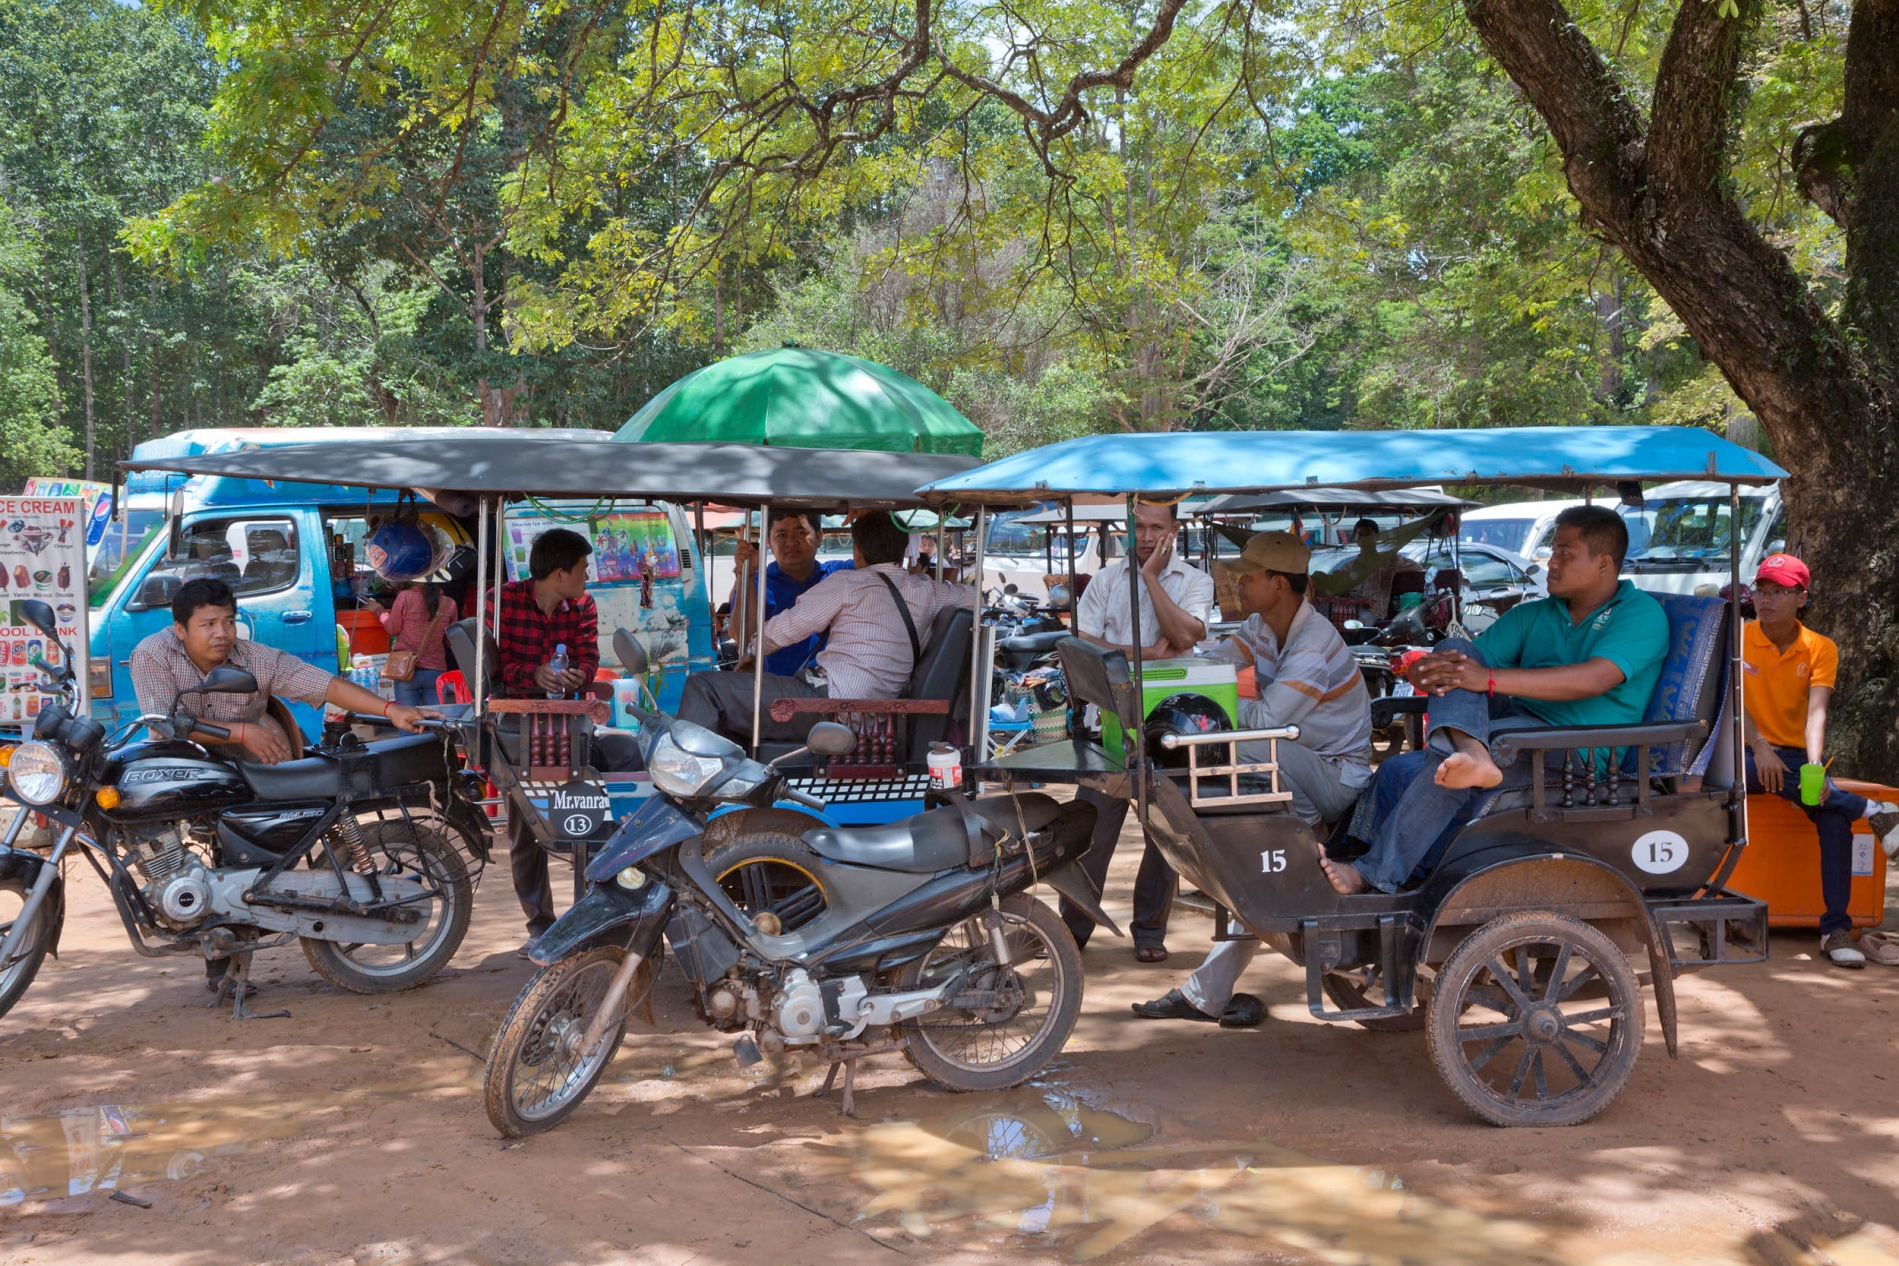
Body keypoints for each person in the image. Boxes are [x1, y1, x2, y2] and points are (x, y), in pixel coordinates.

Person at [1323, 505, 1669, 896]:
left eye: (1564, 554)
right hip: (1518, 729)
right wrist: (1426, 671)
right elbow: (1467, 662)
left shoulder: (1639, 614)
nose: (1550, 563)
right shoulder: (1538, 613)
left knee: (1448, 769)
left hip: (1576, 753)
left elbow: (1594, 679)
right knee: (1456, 650)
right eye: (1552, 551)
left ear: (1604, 563)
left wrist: (1485, 678)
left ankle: (1374, 874)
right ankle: (1474, 754)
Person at [130, 577, 435, 991]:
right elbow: (162, 723)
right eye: (208, 624)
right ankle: (216, 944)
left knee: (250, 860)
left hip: (254, 764)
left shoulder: (253, 657)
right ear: (180, 629)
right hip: (189, 763)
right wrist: (240, 731)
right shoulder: (152, 654)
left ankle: (237, 942)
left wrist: (390, 709)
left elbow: (319, 683)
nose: (221, 633)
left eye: (228, 621)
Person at [1132, 531, 1374, 1026]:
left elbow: (1267, 723)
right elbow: (1214, 662)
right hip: (1299, 764)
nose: (1238, 583)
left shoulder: (1313, 646)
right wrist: (1171, 682)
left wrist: (1203, 707)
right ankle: (1209, 991)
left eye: (1250, 576)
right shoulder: (1264, 626)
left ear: (1280, 585)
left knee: (1258, 749)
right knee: (1252, 861)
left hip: (1332, 778)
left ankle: (1296, 841)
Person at [1065, 499, 1216, 962]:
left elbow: (1188, 635)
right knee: (1090, 834)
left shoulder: (1195, 580)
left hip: (1170, 728)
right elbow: (1081, 640)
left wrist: (1151, 578)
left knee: (1165, 839)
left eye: (1157, 528)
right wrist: (1145, 654)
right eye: (1140, 527)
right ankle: (1070, 934)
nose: (1147, 537)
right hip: (1108, 726)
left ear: (1174, 529)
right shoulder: (1108, 581)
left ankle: (1149, 932)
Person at [678, 512, 968, 743]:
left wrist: (753, 651)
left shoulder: (846, 582)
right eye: (781, 535)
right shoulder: (927, 590)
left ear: (857, 552)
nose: (791, 542)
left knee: (703, 687)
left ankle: (685, 785)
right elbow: (972, 596)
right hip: (873, 715)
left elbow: (789, 626)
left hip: (827, 704)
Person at [487, 528, 641, 956]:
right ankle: (540, 926)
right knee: (525, 830)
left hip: (570, 726)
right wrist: (533, 674)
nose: (587, 575)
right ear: (559, 573)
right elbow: (494, 674)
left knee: (600, 800)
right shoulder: (500, 602)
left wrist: (580, 675)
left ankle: (598, 911)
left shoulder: (583, 606)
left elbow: (589, 658)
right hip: (519, 726)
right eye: (582, 568)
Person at [1741, 553, 1899, 967]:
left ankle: (1835, 929)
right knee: (1752, 770)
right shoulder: (1737, 638)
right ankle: (1874, 810)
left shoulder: (1820, 647)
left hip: (1795, 757)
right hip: (1748, 749)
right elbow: (1731, 708)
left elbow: (1817, 714)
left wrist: (1813, 768)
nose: (1767, 600)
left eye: (1779, 592)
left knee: (1832, 815)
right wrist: (1760, 746)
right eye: (1761, 590)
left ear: (1801, 598)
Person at [728, 510, 852, 678]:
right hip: (775, 692)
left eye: (800, 532)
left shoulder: (840, 574)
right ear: (769, 542)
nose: (791, 542)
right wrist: (746, 574)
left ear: (819, 537)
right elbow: (743, 640)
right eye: (781, 535)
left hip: (831, 691)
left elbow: (882, 558)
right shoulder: (757, 582)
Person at [366, 580, 458, 706]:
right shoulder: (449, 603)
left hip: (406, 670)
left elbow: (392, 629)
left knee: (407, 721)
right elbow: (450, 640)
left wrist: (379, 611)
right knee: (436, 721)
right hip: (436, 670)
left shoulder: (405, 596)